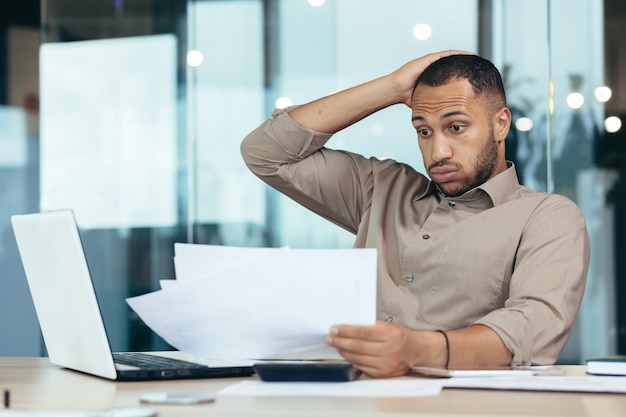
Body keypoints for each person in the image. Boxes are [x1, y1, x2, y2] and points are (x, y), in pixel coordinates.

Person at [240, 50, 591, 378]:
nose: (437, 151)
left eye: (455, 127)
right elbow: (266, 153)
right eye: (424, 131)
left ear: (500, 125)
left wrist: (415, 349)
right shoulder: (381, 188)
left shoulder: (547, 217)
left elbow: (532, 331)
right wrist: (391, 87)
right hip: (350, 402)